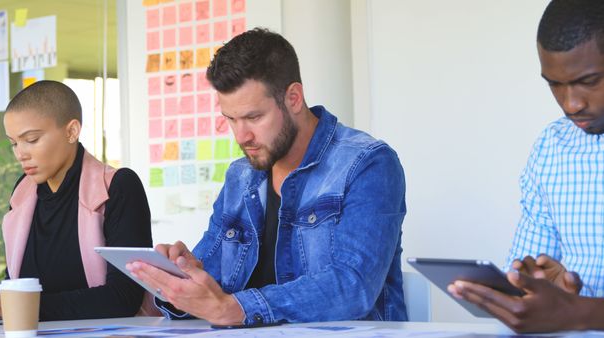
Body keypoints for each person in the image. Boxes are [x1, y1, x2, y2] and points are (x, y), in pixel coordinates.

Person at [127, 28, 407, 325]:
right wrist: (184, 277)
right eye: (230, 119)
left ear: (294, 98)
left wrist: (236, 308)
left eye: (253, 117)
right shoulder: (240, 176)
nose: (241, 135)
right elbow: (213, 284)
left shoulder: (368, 163)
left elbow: (354, 287)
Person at [448, 0, 604, 332]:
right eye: (555, 84)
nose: (571, 104)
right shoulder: (552, 147)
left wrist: (577, 310)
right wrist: (537, 289)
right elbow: (523, 270)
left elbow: (573, 311)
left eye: (589, 81)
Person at [0, 80, 152, 321]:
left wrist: (19, 307)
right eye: (14, 143)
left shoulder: (118, 186)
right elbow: (19, 287)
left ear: (71, 131)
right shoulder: (22, 192)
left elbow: (123, 297)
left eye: (31, 139)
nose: (20, 154)